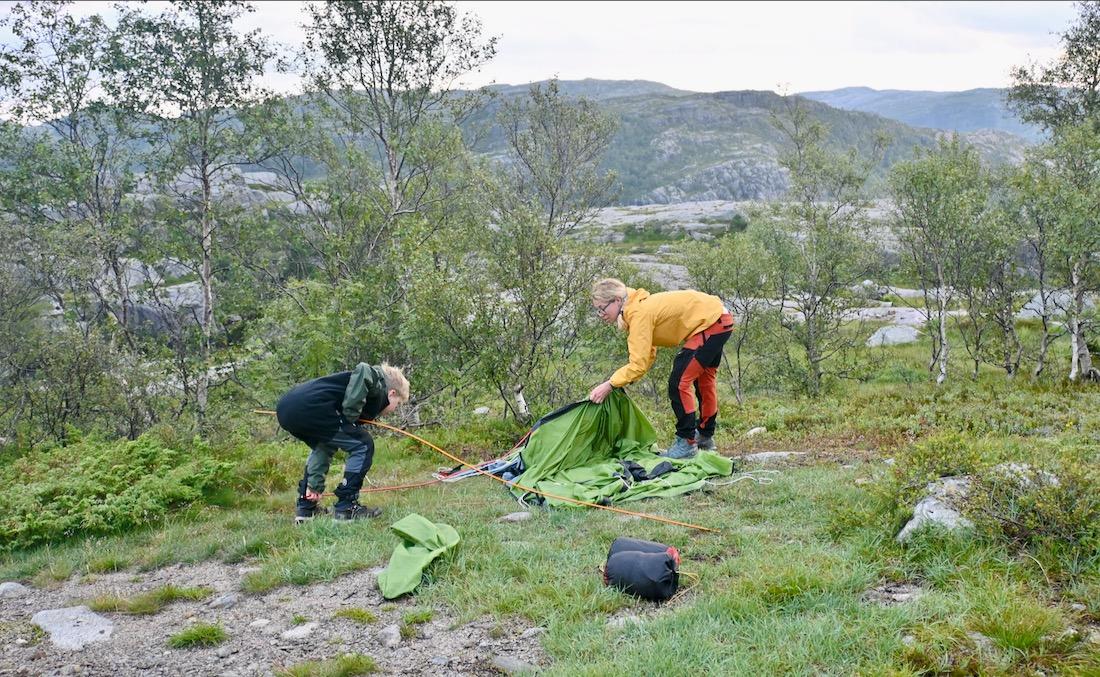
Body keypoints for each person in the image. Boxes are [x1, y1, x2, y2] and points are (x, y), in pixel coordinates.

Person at [589, 278, 733, 459]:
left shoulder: (639, 313)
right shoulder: (636, 308)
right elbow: (647, 355)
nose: (600, 314)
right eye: (597, 310)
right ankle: (704, 437)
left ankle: (687, 443)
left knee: (679, 382)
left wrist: (610, 384)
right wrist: (623, 379)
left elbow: (638, 364)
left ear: (617, 300)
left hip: (712, 323)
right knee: (704, 379)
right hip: (718, 318)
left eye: (602, 308)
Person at [277, 362, 410, 523]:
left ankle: (306, 508)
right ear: (392, 393)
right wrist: (349, 416)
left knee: (323, 444)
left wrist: (315, 484)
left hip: (288, 409)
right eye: (398, 403)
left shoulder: (346, 389)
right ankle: (346, 507)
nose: (395, 409)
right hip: (311, 407)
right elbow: (363, 369)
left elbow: (324, 447)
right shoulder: (377, 381)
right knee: (363, 444)